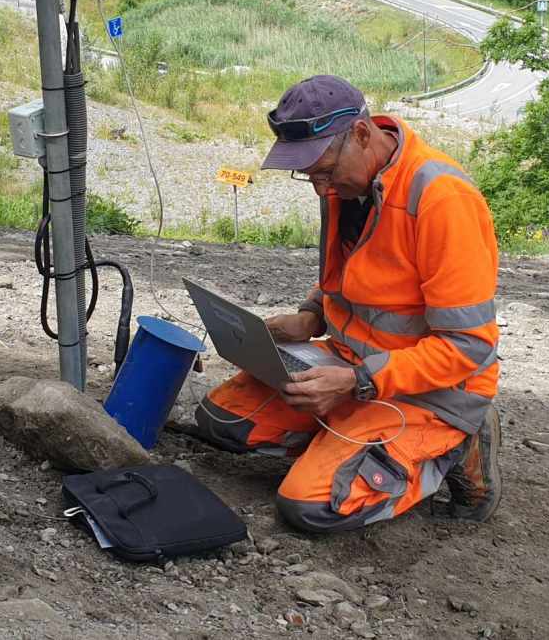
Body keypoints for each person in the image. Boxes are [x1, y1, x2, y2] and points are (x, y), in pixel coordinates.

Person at [192, 75, 503, 532]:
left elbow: (468, 347)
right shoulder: (347, 186)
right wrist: (310, 316)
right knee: (222, 422)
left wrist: (356, 381)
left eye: (324, 171)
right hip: (347, 368)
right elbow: (345, 281)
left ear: (361, 135)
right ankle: (351, 439)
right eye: (310, 176)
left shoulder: (442, 199)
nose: (320, 189)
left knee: (309, 507)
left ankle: (459, 442)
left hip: (428, 392)